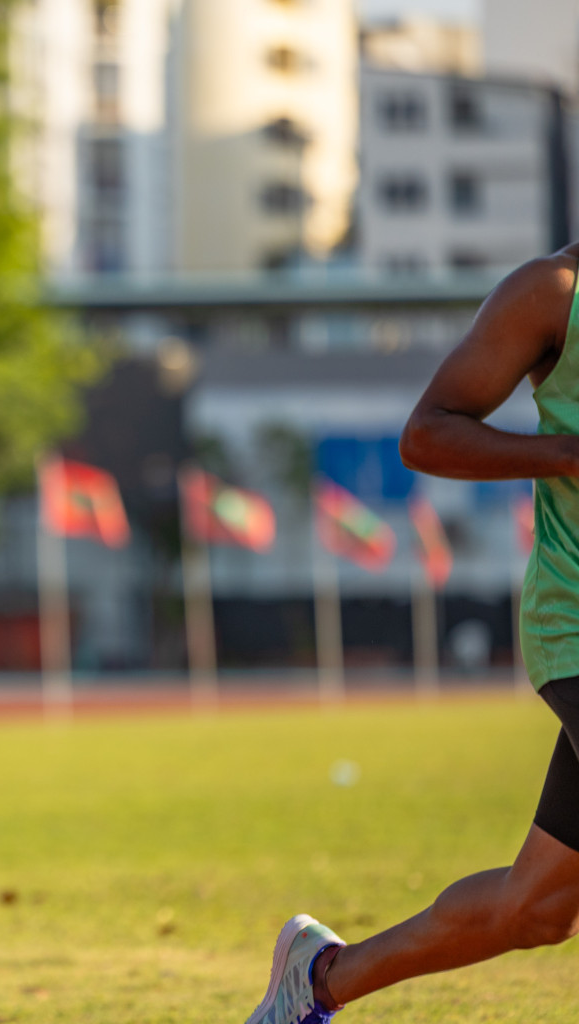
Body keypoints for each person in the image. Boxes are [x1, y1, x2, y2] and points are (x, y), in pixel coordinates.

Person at [242, 245, 579, 1023]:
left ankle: (318, 980)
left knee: (540, 907)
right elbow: (428, 434)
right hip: (576, 626)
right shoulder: (554, 293)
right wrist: (566, 454)